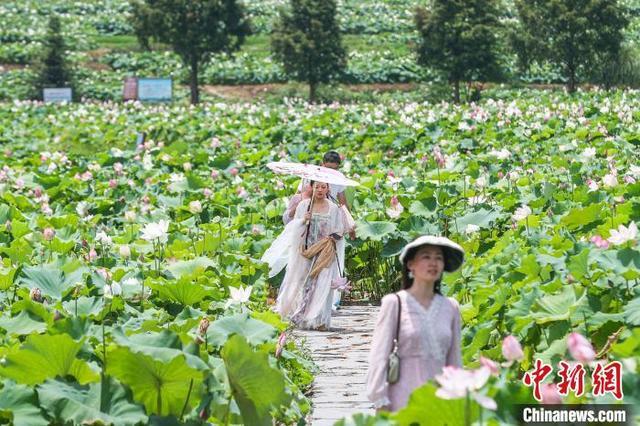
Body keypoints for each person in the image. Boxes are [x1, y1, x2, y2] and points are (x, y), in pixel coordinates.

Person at [365, 235, 464, 412]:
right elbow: (379, 356)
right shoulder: (395, 303)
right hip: (402, 401)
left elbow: (454, 361)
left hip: (440, 402)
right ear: (411, 264)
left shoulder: (451, 307)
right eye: (426, 256)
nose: (433, 263)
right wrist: (380, 399)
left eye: (438, 258)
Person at [262, 181, 351, 330]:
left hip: (325, 251)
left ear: (328, 189)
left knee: (322, 284)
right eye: (317, 187)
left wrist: (329, 240)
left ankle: (320, 320)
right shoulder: (304, 206)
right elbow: (293, 228)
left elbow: (340, 230)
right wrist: (304, 220)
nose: (320, 190)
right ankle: (304, 318)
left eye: (324, 187)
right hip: (305, 251)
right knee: (306, 284)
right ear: (312, 188)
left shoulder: (333, 208)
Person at [282, 151, 355, 311]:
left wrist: (349, 224)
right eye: (328, 168)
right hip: (311, 222)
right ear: (322, 164)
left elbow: (342, 203)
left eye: (334, 169)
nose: (331, 171)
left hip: (330, 222)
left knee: (329, 265)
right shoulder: (310, 176)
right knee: (305, 267)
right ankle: (302, 304)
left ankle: (327, 302)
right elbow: (300, 198)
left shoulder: (337, 178)